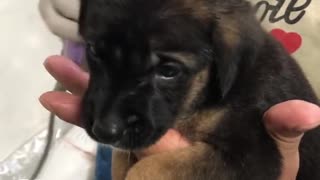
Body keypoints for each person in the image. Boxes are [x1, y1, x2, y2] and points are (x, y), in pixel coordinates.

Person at [38, 0, 320, 179]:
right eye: (97, 51)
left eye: (168, 70)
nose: (106, 123)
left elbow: (251, 162)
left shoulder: (243, 73)